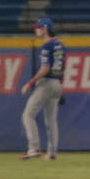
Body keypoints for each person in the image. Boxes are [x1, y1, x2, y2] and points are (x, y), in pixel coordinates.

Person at [20, 17, 65, 160]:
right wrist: (59, 87)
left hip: (46, 83)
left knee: (28, 114)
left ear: (45, 29)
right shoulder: (60, 45)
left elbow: (45, 68)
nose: (36, 29)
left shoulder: (46, 46)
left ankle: (33, 148)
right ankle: (52, 153)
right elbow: (62, 67)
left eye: (38, 27)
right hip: (56, 83)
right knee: (51, 120)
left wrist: (30, 82)